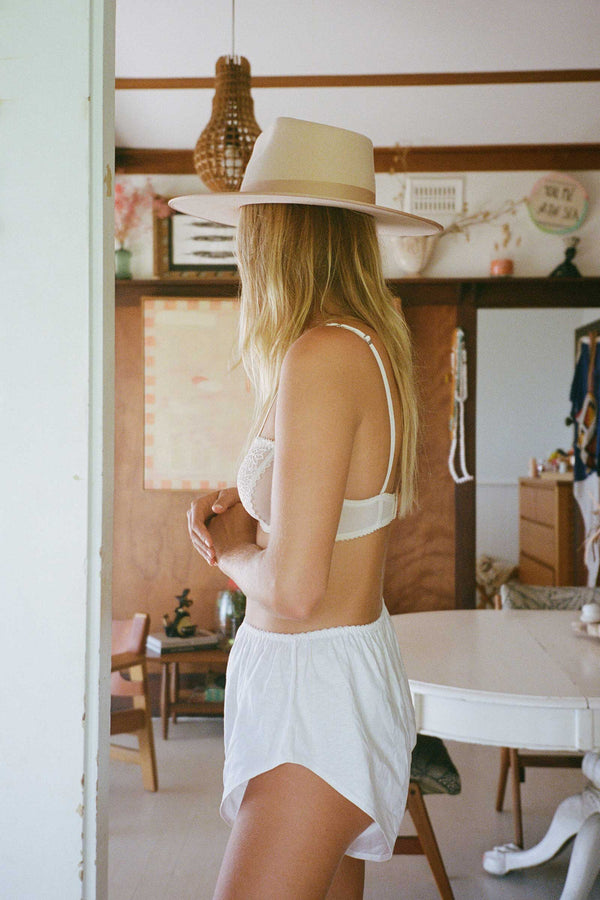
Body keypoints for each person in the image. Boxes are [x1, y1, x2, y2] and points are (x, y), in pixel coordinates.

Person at [173, 117, 441, 900]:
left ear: (278, 234)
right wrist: (247, 519)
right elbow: (312, 535)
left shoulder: (322, 354)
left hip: (313, 691)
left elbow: (293, 588)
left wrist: (226, 552)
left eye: (251, 226)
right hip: (314, 676)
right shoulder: (348, 344)